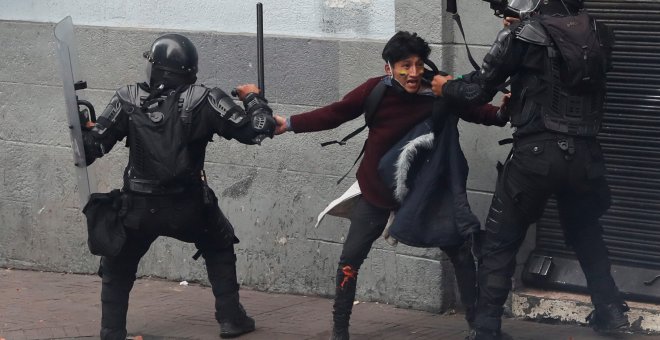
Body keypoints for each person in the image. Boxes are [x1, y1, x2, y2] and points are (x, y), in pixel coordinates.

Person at [273, 31, 508, 340]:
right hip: (377, 190)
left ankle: (479, 328)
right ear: (388, 68)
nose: (413, 73)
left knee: (461, 254)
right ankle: (339, 330)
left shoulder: (441, 90)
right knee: (350, 259)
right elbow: (336, 113)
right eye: (404, 65)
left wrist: (506, 111)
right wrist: (289, 124)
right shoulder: (376, 91)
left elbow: (479, 112)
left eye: (418, 64)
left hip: (426, 195)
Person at [431, 1, 627, 339]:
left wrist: (443, 86)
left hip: (536, 156)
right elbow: (560, 71)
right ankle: (610, 311)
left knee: (500, 241)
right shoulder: (600, 33)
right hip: (585, 156)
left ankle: (487, 329)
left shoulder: (522, 35)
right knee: (586, 234)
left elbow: (478, 89)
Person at [81, 33, 277, 339]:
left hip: (138, 207)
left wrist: (85, 127)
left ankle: (111, 330)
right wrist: (253, 97)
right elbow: (258, 130)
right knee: (219, 244)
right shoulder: (206, 98)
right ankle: (230, 318)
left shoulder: (126, 98)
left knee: (118, 263)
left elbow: (92, 148)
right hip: (188, 206)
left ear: (156, 67)